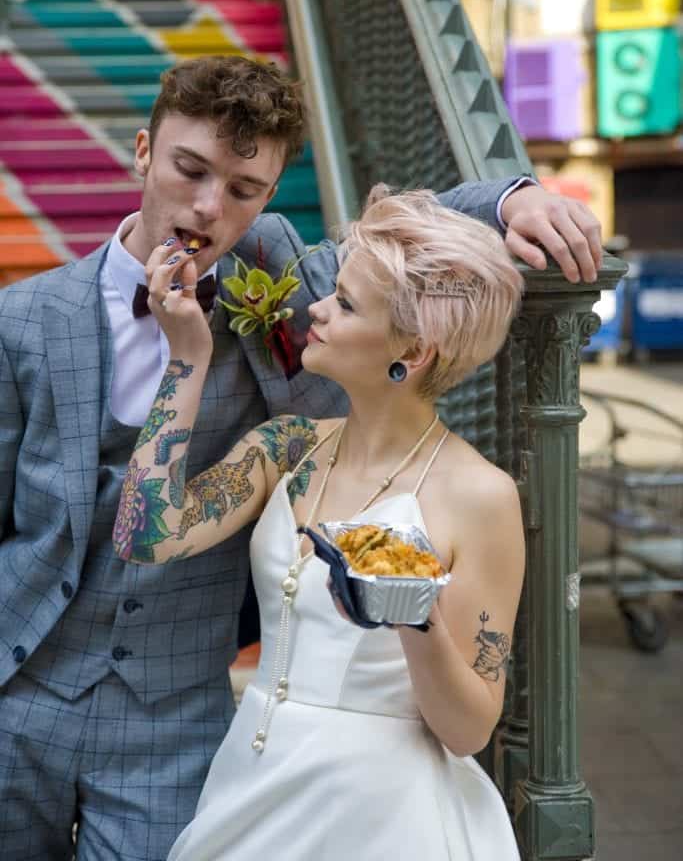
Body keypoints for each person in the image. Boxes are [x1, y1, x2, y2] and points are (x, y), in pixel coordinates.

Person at [0, 54, 600, 861]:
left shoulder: (277, 280)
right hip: (21, 692)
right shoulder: (24, 318)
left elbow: (400, 253)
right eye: (189, 170)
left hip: (171, 719)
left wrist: (509, 196)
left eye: (244, 190)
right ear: (143, 151)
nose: (209, 207)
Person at [114, 186, 526, 860]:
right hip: (254, 784)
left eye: (346, 304)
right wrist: (186, 357)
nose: (318, 310)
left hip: (384, 816)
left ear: (413, 351)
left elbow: (467, 731)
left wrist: (413, 618)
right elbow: (146, 533)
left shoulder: (479, 494)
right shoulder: (289, 447)